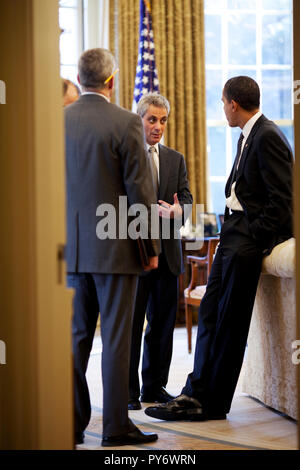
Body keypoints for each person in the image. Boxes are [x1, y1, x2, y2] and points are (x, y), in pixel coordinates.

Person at [145, 76, 293, 421]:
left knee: (229, 321)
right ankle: (194, 392)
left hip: (247, 240)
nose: (222, 109)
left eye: (222, 102)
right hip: (233, 234)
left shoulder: (268, 135)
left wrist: (255, 236)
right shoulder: (250, 134)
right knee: (211, 313)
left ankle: (211, 404)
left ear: (233, 104)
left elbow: (283, 200)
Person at [65, 48, 160, 446]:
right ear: (111, 80)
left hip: (68, 249)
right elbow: (141, 193)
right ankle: (116, 427)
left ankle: (68, 422)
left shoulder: (55, 120)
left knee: (74, 338)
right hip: (117, 249)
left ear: (79, 77)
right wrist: (151, 247)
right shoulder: (125, 122)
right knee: (118, 339)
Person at [128, 93, 193, 410]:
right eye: (152, 119)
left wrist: (179, 214)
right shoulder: (124, 155)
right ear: (139, 119)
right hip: (134, 254)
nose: (158, 126)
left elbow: (187, 201)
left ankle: (153, 388)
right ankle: (127, 392)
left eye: (163, 120)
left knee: (163, 325)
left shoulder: (175, 158)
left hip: (168, 255)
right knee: (130, 326)